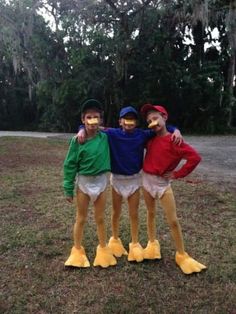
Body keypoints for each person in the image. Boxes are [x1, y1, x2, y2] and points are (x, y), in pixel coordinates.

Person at [77, 106, 182, 263]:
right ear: (120, 121)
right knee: (116, 212)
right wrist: (80, 129)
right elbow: (92, 125)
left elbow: (160, 128)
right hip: (117, 179)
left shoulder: (142, 135)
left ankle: (134, 243)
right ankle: (114, 239)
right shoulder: (111, 133)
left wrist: (176, 129)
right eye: (126, 119)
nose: (129, 122)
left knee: (134, 214)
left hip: (134, 179)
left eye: (132, 119)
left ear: (136, 122)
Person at [140, 103, 207, 274]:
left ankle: (181, 254)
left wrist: (177, 174)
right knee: (150, 213)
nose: (152, 122)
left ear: (164, 117)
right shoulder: (150, 139)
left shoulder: (175, 140)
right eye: (149, 120)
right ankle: (152, 244)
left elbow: (195, 158)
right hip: (146, 180)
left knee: (173, 220)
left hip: (163, 184)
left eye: (155, 118)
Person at [63, 99, 117, 268]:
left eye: (96, 117)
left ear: (100, 120)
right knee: (81, 218)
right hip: (83, 185)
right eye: (89, 117)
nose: (92, 121)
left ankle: (103, 249)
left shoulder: (106, 137)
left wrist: (174, 129)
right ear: (83, 119)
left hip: (101, 183)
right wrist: (68, 188)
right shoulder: (77, 141)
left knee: (100, 218)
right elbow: (70, 164)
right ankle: (77, 250)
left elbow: (127, 130)